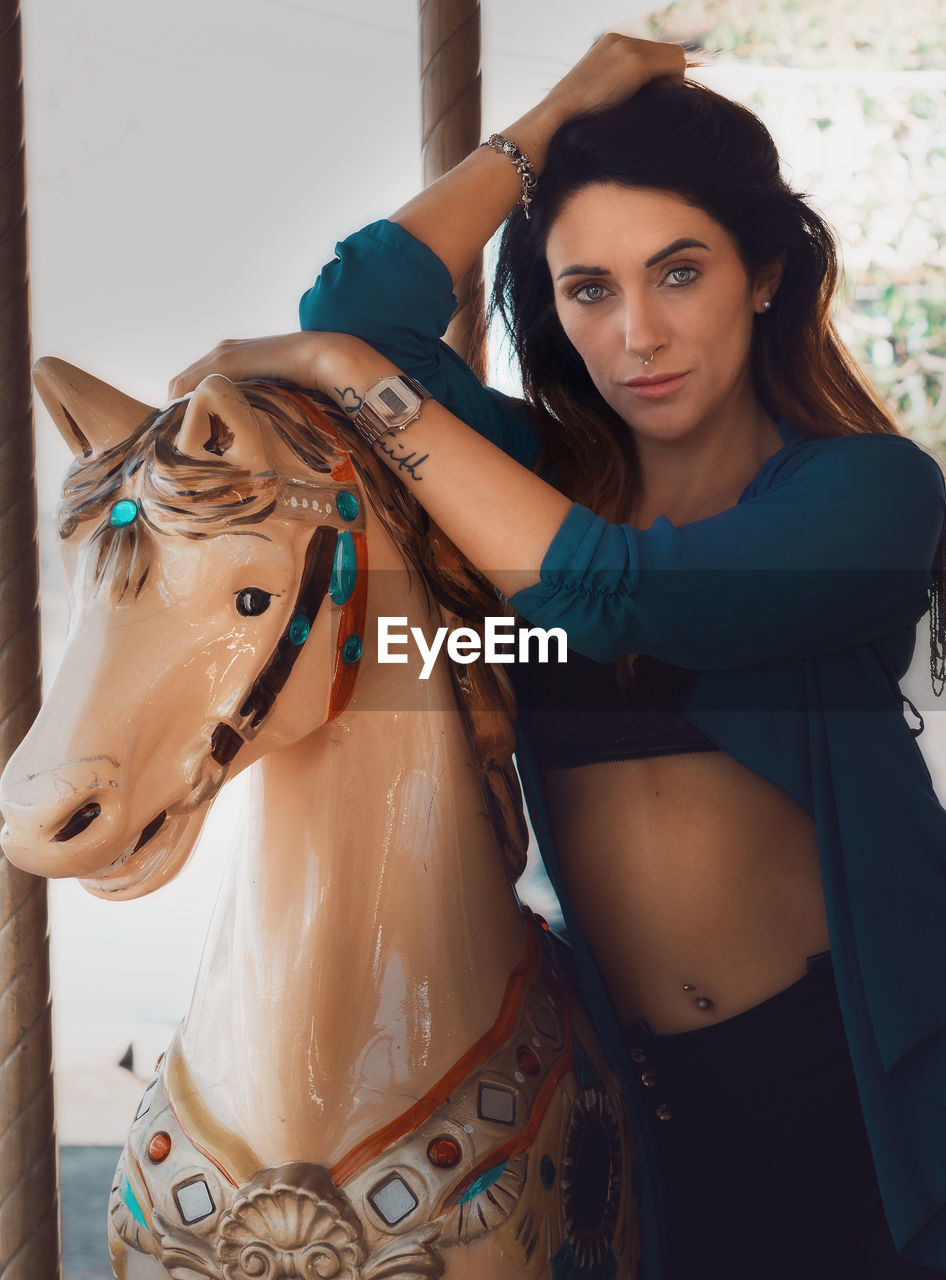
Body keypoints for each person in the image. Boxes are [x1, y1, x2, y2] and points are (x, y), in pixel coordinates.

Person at [169, 35, 946, 1280]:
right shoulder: (524, 487)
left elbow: (615, 594)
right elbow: (361, 306)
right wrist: (555, 115)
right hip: (627, 1094)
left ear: (763, 274)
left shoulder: (869, 494)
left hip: (855, 1078)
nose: (638, 331)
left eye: (678, 272)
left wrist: (342, 374)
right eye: (589, 288)